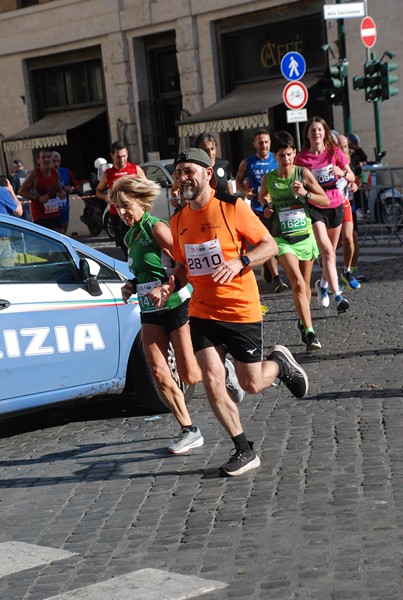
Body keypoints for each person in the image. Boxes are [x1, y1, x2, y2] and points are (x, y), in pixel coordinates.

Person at [149, 148, 309, 477]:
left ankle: (278, 365)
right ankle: (243, 449)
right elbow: (182, 267)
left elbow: (269, 244)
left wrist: (241, 260)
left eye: (189, 171)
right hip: (203, 312)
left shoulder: (232, 208)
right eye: (179, 172)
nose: (183, 178)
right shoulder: (178, 220)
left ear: (208, 173)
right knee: (212, 379)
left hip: (239, 309)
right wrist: (169, 287)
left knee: (250, 383)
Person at [109, 175, 204, 454]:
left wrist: (166, 286)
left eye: (126, 205)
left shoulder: (157, 229)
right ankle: (188, 429)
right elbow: (143, 273)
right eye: (117, 207)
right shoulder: (130, 236)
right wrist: (131, 286)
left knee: (189, 374)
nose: (122, 212)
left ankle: (223, 370)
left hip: (174, 305)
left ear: (140, 202)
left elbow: (184, 267)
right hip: (149, 310)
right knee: (160, 372)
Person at [259, 131, 329, 351]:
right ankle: (309, 332)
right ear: (275, 156)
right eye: (281, 155)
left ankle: (302, 320)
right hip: (282, 239)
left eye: (289, 155)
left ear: (294, 154)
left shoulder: (303, 174)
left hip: (304, 236)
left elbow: (325, 200)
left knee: (305, 286)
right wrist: (267, 208)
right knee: (297, 283)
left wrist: (306, 194)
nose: (286, 159)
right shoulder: (268, 178)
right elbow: (263, 200)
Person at [295, 116, 355, 314]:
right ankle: (338, 295)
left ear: (325, 133)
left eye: (319, 130)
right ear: (307, 134)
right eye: (312, 130)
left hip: (335, 204)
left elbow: (351, 176)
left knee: (332, 251)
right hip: (315, 206)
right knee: (327, 251)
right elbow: (295, 183)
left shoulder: (334, 153)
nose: (316, 133)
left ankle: (322, 284)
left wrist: (342, 172)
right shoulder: (302, 159)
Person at [236, 129, 288, 293]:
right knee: (268, 241)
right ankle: (277, 279)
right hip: (258, 210)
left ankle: (268, 265)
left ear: (270, 143)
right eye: (260, 142)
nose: (263, 145)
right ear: (254, 144)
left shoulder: (277, 158)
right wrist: (245, 193)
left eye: (266, 141)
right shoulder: (248, 162)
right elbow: (238, 179)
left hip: (279, 207)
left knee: (280, 244)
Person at [96, 140, 146, 259]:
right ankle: (130, 268)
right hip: (117, 216)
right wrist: (106, 197)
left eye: (124, 156)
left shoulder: (135, 169)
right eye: (118, 157)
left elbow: (147, 188)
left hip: (135, 214)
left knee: (139, 243)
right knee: (125, 246)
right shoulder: (108, 174)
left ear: (127, 154)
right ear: (112, 155)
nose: (122, 160)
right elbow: (98, 191)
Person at [18, 149, 65, 232]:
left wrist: (62, 193)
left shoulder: (55, 172)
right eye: (43, 157)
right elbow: (21, 191)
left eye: (48, 157)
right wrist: (38, 198)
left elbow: (58, 189)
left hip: (53, 211)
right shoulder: (35, 174)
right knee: (44, 240)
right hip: (39, 213)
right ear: (38, 161)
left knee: (61, 236)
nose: (46, 159)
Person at [336, 135, 361, 291]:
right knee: (332, 246)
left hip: (345, 205)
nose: (343, 150)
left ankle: (349, 270)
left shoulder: (348, 162)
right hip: (330, 206)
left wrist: (354, 184)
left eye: (345, 146)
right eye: (340, 146)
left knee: (351, 239)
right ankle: (329, 277)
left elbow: (352, 179)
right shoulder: (329, 160)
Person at [194, 132, 234, 200]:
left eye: (212, 149)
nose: (210, 153)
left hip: (222, 207)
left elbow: (230, 192)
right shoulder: (195, 168)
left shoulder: (224, 164)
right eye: (206, 150)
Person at [50, 151, 78, 234]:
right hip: (52, 209)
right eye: (54, 161)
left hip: (64, 207)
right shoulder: (46, 173)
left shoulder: (66, 172)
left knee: (63, 233)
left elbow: (76, 185)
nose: (56, 164)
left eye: (58, 161)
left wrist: (71, 188)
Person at [0, 176, 23, 267]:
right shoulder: (2, 191)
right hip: (2, 240)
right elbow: (19, 212)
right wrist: (11, 191)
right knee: (8, 275)